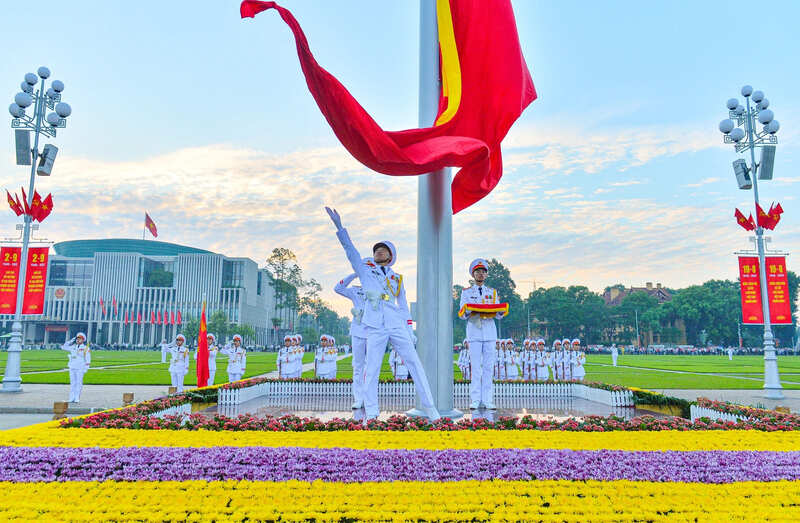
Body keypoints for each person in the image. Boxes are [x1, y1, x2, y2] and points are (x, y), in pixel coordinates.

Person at [325, 206, 439, 421]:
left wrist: (409, 329)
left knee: (414, 362)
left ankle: (430, 407)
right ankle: (372, 412)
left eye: (383, 250)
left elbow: (404, 306)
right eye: (377, 249)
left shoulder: (397, 278)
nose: (378, 251)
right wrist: (340, 228)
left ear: (391, 256)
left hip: (396, 324)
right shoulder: (366, 272)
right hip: (375, 325)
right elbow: (351, 252)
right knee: (371, 368)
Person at [458, 258, 507, 410]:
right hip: (474, 332)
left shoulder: (492, 292)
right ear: (473, 274)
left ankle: (487, 399)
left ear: (486, 275)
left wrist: (500, 311)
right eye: (478, 271)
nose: (481, 274)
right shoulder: (466, 292)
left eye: (483, 272)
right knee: (476, 368)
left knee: (488, 367)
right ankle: (474, 399)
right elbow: (462, 313)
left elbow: (499, 315)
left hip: (490, 332)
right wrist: (471, 310)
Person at [334, 269, 369, 409]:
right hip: (359, 329)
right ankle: (359, 398)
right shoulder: (356, 291)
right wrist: (355, 274)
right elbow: (338, 288)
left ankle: (370, 398)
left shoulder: (379, 287)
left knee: (372, 366)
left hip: (375, 330)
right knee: (358, 367)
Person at [62, 332, 90, 403]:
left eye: (79, 339)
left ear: (83, 340)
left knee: (78, 383)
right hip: (72, 366)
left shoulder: (85, 348)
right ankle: (71, 398)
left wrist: (86, 368)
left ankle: (77, 397)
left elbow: (88, 358)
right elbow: (63, 347)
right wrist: (71, 340)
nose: (78, 340)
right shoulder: (73, 346)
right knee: (72, 383)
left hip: (80, 367)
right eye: (77, 339)